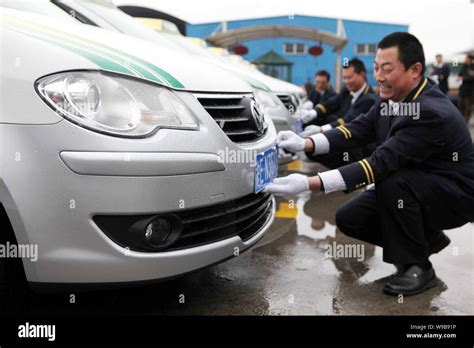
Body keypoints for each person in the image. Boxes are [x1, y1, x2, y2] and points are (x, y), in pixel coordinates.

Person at [265, 32, 474, 296]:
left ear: (415, 70)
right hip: (421, 185)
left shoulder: (429, 111)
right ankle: (426, 240)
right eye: (376, 68)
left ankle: (417, 266)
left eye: (387, 69)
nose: (379, 76)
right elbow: (358, 128)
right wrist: (306, 143)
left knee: (392, 180)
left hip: (456, 195)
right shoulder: (390, 98)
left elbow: (379, 163)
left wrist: (309, 183)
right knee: (349, 217)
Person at [299, 59, 377, 169]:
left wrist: (321, 130)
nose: (346, 81)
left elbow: (348, 120)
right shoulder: (347, 91)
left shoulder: (369, 98)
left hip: (358, 147)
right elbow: (330, 104)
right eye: (344, 78)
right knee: (313, 150)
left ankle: (350, 176)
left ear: (362, 75)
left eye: (349, 77)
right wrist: (313, 112)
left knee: (318, 150)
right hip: (344, 136)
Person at [458, 54, 474, 123]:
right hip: (463, 89)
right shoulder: (464, 66)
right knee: (461, 105)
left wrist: (464, 78)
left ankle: (466, 120)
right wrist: (462, 77)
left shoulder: (473, 67)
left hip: (470, 90)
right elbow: (460, 74)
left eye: (467, 58)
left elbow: (471, 78)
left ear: (470, 59)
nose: (465, 60)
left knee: (468, 106)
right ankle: (461, 119)